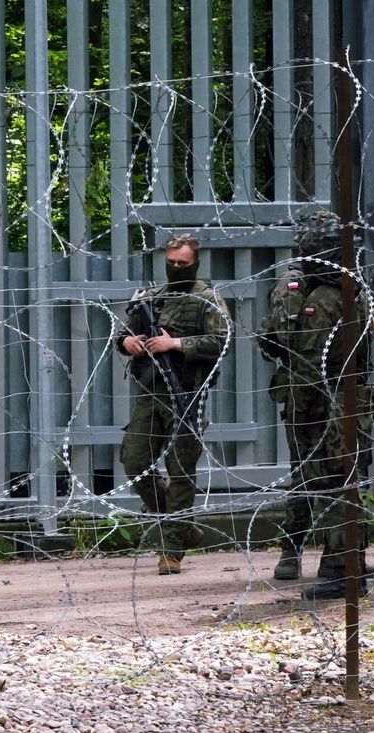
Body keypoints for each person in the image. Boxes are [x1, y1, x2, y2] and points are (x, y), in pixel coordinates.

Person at [257, 210, 374, 600]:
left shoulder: (326, 297)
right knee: (343, 481)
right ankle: (343, 562)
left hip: (324, 404)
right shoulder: (346, 289)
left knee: (334, 483)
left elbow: (308, 359)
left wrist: (307, 400)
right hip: (342, 398)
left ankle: (340, 570)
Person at [116, 234, 230, 575]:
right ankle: (180, 525)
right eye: (171, 263)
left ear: (195, 262)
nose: (176, 268)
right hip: (151, 394)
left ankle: (172, 550)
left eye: (183, 263)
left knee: (181, 472)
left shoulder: (207, 299)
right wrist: (128, 342)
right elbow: (121, 333)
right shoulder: (151, 298)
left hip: (187, 395)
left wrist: (175, 344)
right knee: (135, 462)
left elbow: (220, 340)